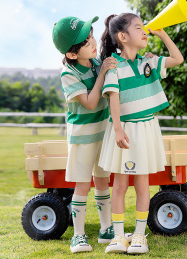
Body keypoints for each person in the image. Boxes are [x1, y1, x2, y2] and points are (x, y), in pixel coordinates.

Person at [98, 13, 184, 254]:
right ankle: (117, 237)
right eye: (139, 28)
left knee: (143, 184)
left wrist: (162, 33)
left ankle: (138, 235)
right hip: (123, 130)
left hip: (146, 128)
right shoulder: (114, 65)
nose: (144, 31)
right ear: (123, 37)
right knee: (120, 185)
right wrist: (117, 129)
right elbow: (113, 97)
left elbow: (178, 58)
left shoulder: (150, 61)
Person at [52, 15, 118, 253]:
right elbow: (90, 102)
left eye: (91, 37)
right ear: (71, 54)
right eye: (86, 42)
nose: (92, 43)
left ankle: (106, 228)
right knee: (83, 185)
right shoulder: (68, 73)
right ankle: (78, 235)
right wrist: (102, 74)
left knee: (102, 180)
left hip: (102, 131)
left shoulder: (95, 61)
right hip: (82, 137)